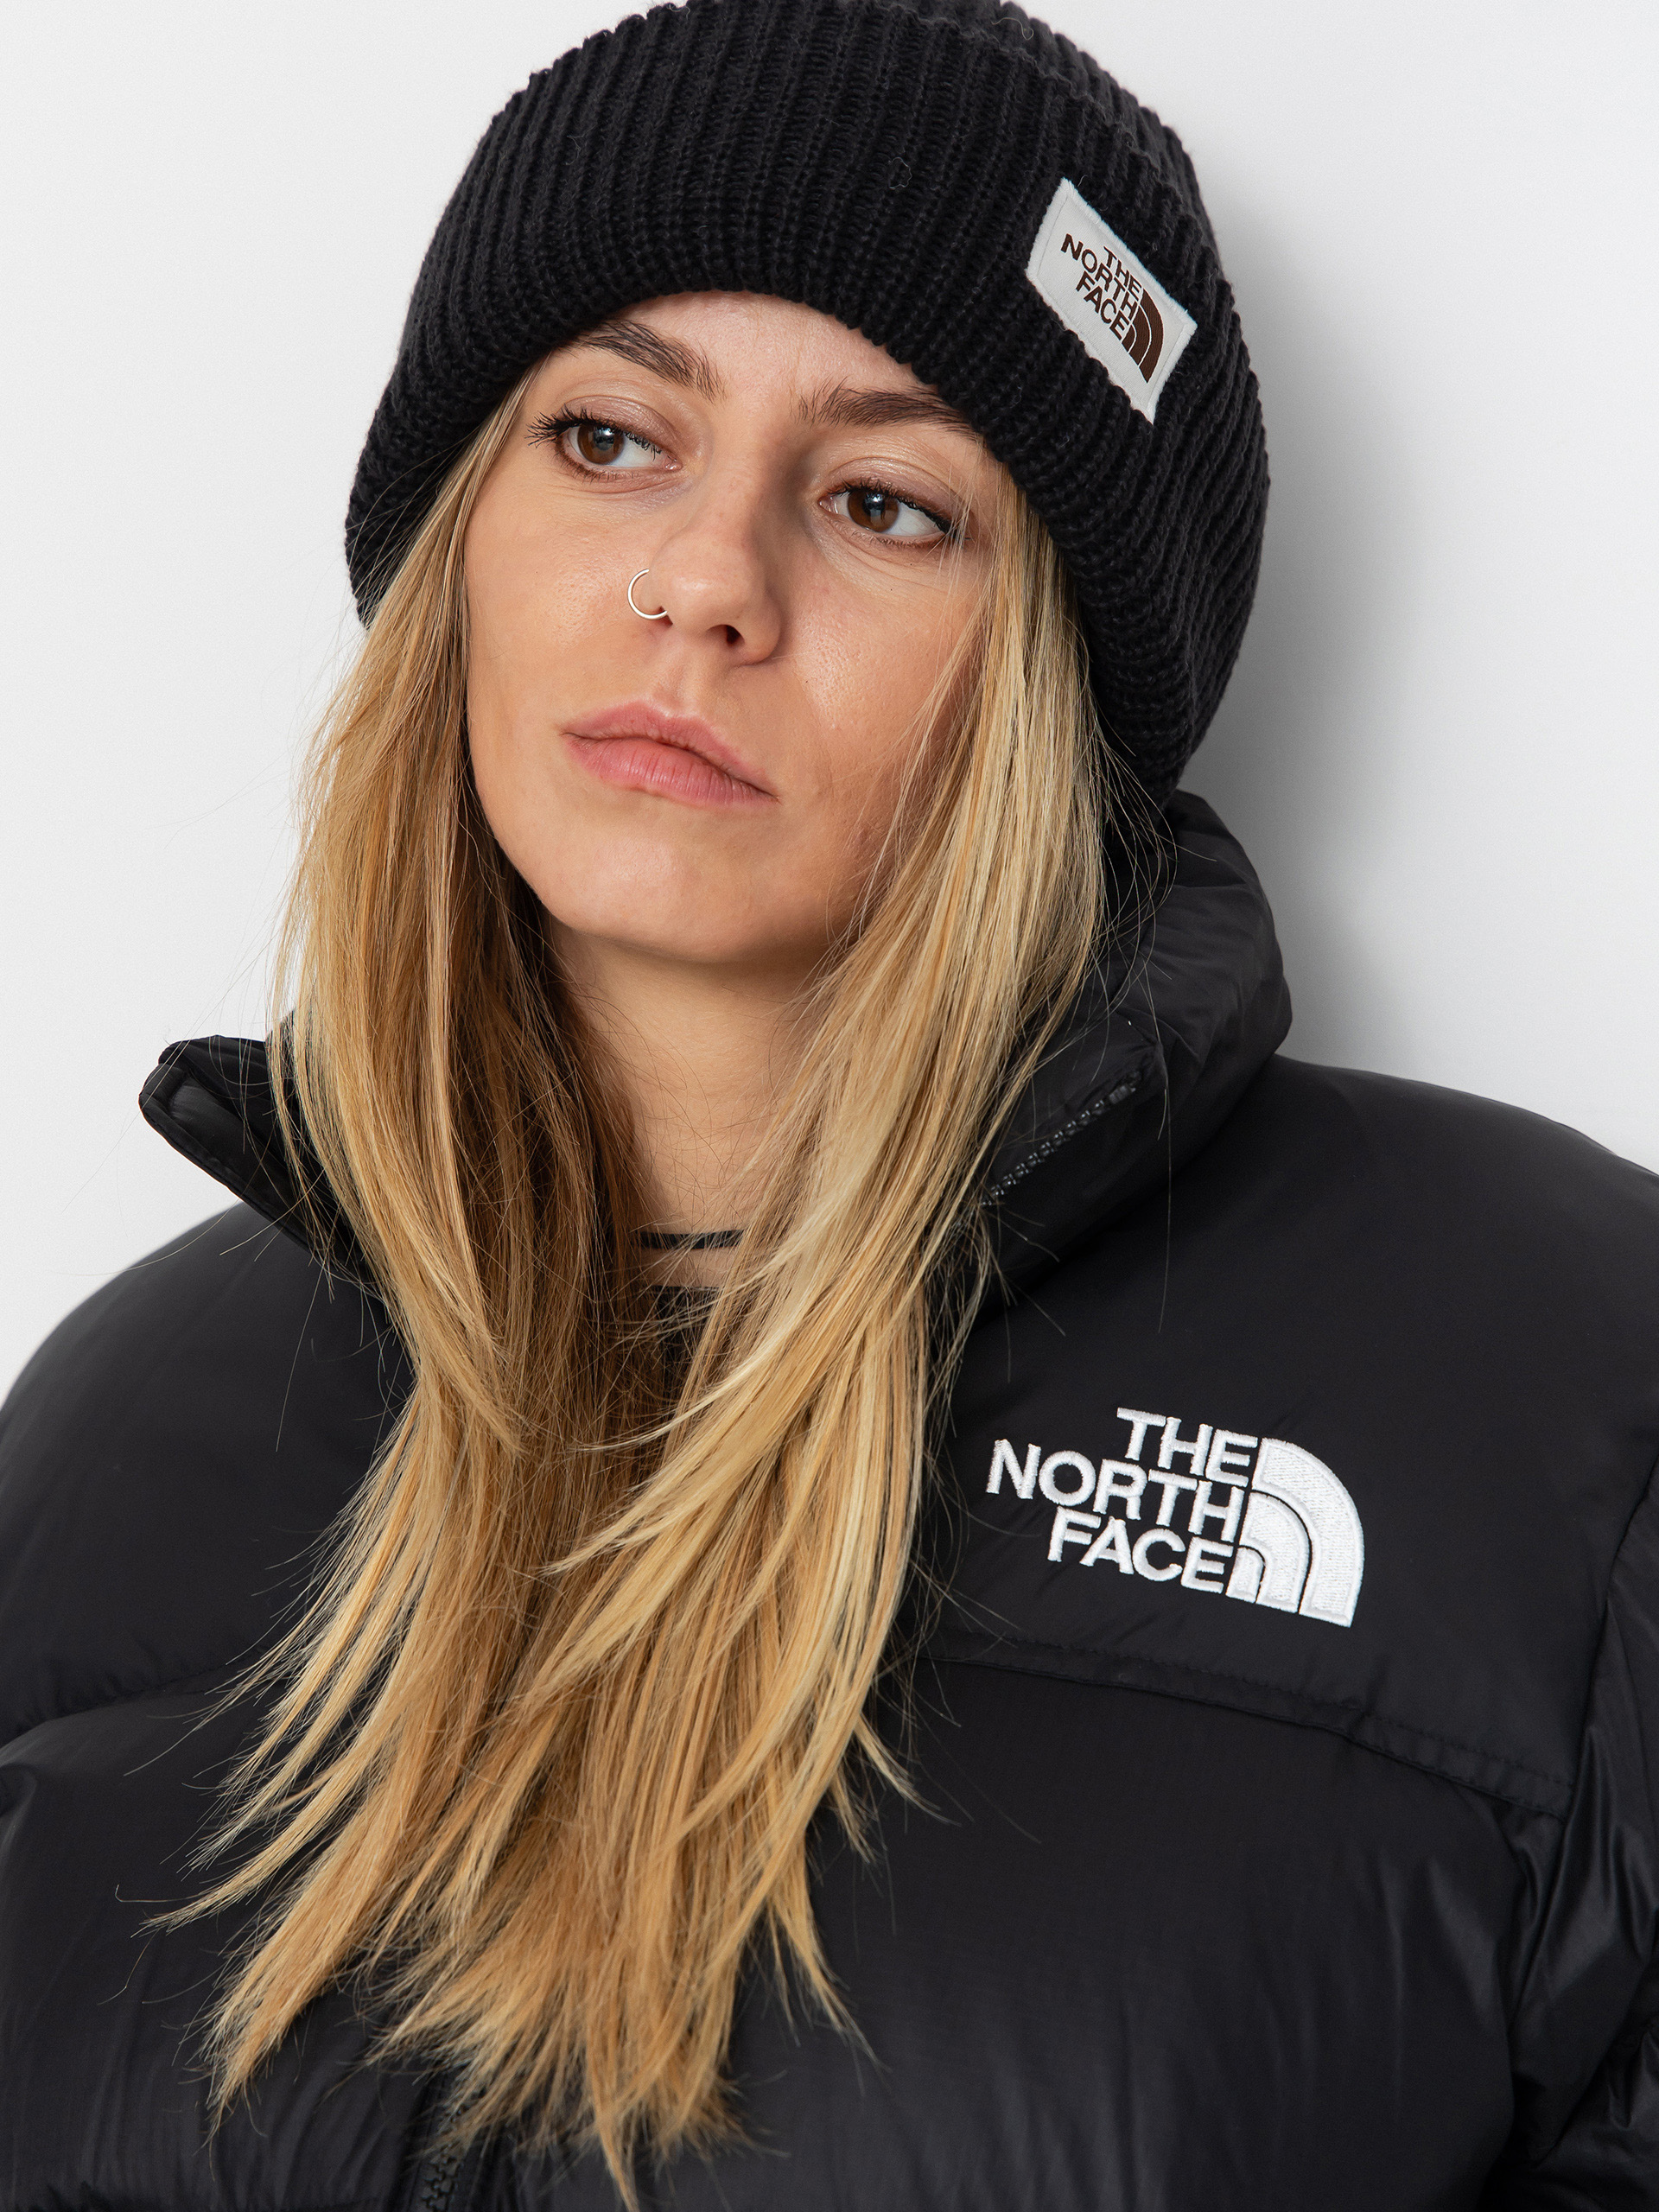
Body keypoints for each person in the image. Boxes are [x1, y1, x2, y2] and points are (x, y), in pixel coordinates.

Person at [2, 0, 1656, 2205]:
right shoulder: (120, 1429)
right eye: (609, 437)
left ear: (1058, 679)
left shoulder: (1550, 1388)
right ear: (457, 537)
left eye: (887, 502)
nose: (706, 581)